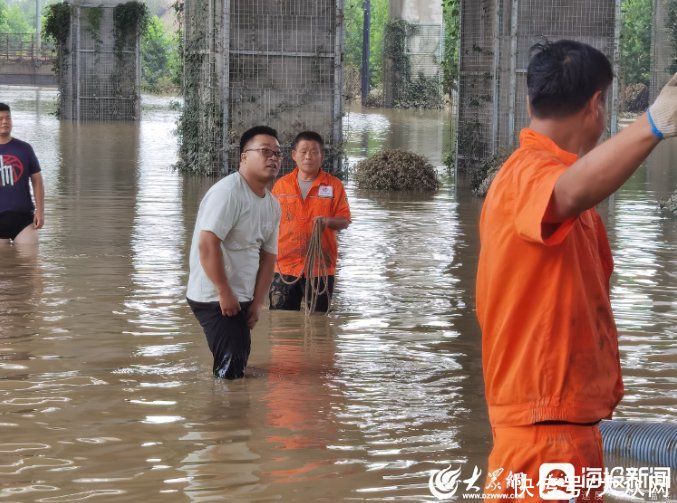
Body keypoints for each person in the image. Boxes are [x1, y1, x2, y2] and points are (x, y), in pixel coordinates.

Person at [476, 40, 676, 500]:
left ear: (531, 100)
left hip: (565, 430)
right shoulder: (528, 174)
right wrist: (653, 125)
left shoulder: (553, 183)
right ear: (597, 104)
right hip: (544, 437)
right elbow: (565, 193)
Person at [186, 125, 282, 380]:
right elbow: (207, 244)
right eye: (265, 151)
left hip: (240, 296)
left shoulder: (272, 205)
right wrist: (224, 292)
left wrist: (258, 302)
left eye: (277, 153)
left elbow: (269, 256)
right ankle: (225, 415)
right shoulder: (228, 193)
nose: (272, 157)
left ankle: (229, 411)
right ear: (243, 157)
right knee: (231, 370)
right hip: (214, 296)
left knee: (236, 361)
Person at [269, 131, 351, 313]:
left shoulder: (334, 186)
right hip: (285, 266)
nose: (308, 156)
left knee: (319, 321)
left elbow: (345, 220)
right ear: (294, 155)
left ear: (322, 156)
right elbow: (268, 223)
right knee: (282, 323)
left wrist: (328, 222)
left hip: (320, 268)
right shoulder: (281, 185)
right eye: (304, 151)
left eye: (314, 152)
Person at [0, 103, 45, 245]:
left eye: (8, 118)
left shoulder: (24, 149)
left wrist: (40, 211)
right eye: (0, 119)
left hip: (24, 218)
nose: (5, 122)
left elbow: (37, 181)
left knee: (30, 263)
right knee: (4, 264)